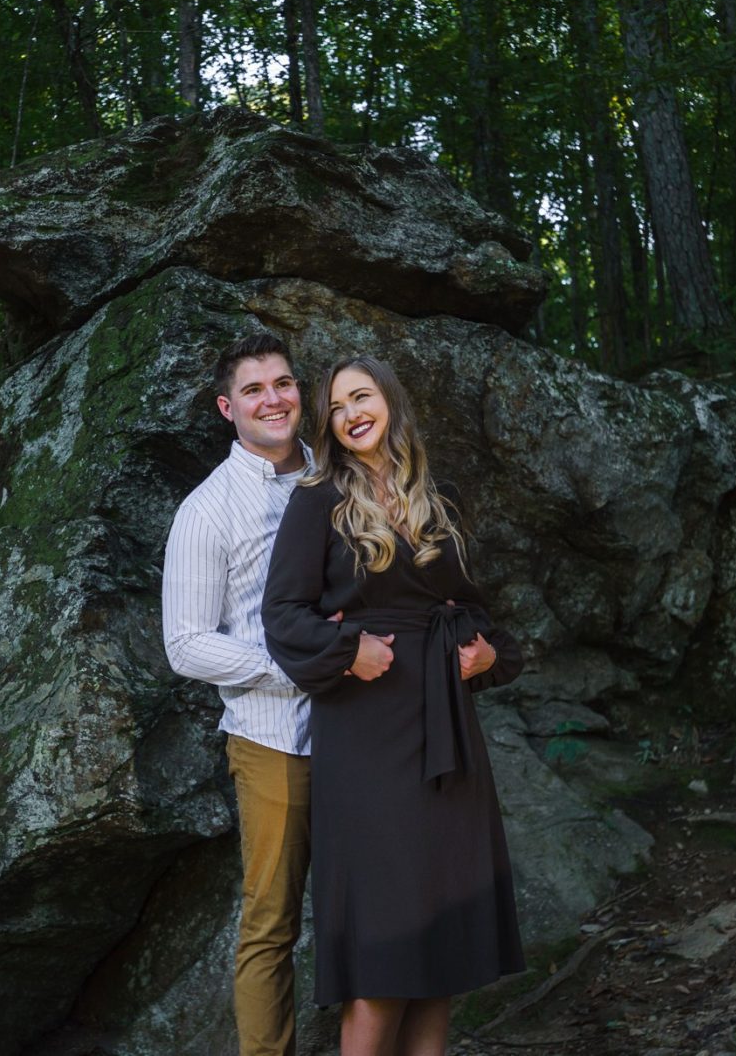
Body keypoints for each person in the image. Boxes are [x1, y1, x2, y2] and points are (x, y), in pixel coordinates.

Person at [261, 355, 525, 1056]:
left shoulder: (438, 495)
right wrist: (349, 651)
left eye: (362, 395)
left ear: (390, 402)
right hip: (367, 734)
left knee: (441, 958)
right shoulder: (318, 498)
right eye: (337, 406)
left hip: (446, 733)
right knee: (383, 965)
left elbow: (476, 605)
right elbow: (282, 614)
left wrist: (490, 653)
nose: (351, 413)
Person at [162, 333, 317, 1056]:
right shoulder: (206, 509)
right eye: (254, 390)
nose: (273, 399)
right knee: (271, 921)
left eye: (283, 383)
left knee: (369, 904)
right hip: (272, 737)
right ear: (228, 408)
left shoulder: (332, 477)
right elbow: (186, 643)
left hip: (361, 730)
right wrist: (300, 667)